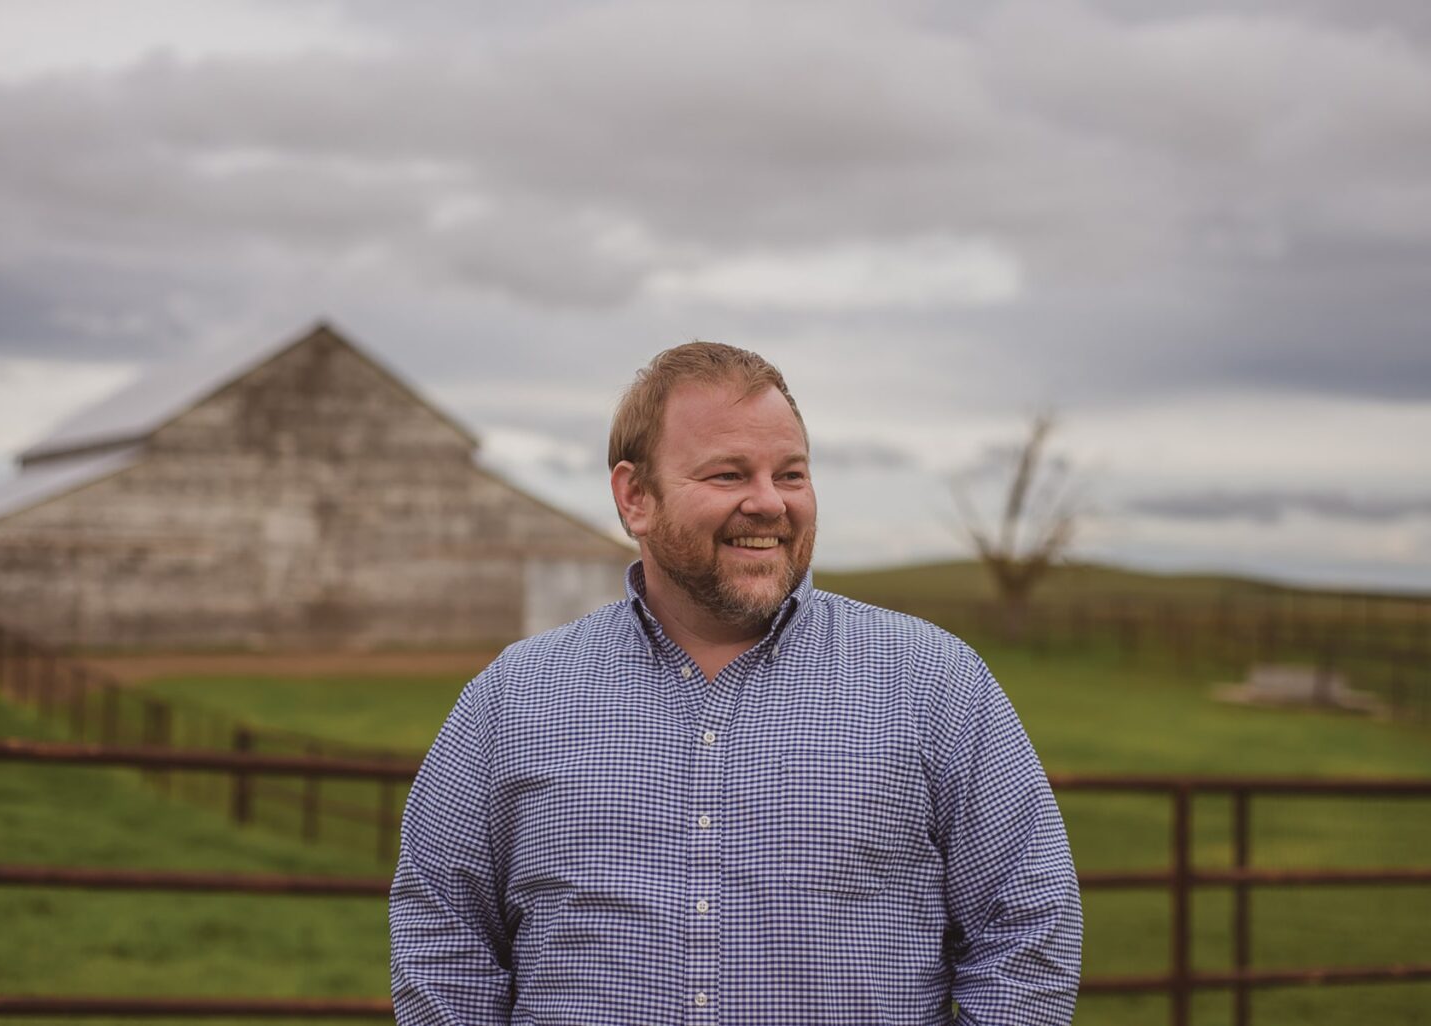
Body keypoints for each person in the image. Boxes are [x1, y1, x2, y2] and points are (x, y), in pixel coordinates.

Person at [389, 343, 1082, 1025]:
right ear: (635, 497)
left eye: (790, 474)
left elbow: (1027, 926)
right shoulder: (513, 699)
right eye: (728, 475)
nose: (768, 503)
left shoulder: (934, 683)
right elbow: (443, 938)